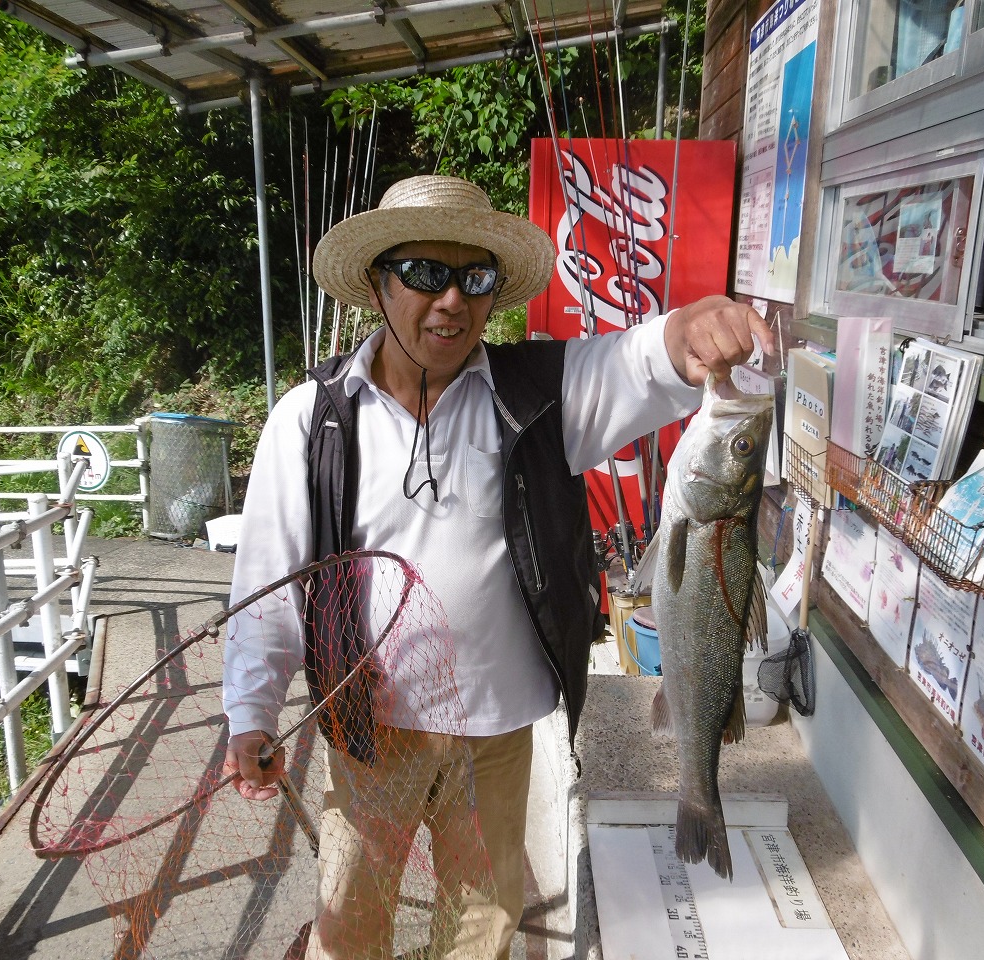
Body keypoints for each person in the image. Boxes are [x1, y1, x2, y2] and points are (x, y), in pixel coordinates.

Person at [222, 174, 773, 959]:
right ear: (378, 285)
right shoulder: (310, 420)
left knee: (482, 922)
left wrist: (689, 331)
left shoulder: (539, 393)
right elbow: (267, 587)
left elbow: (637, 363)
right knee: (350, 918)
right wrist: (251, 712)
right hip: (368, 727)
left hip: (501, 729)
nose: (450, 300)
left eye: (474, 278)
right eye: (423, 274)